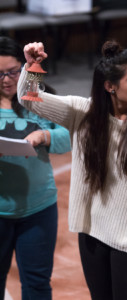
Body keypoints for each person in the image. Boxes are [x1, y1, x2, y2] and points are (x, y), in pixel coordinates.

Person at [17, 40, 127, 300]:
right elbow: (29, 98)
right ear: (110, 86)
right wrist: (33, 65)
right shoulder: (82, 112)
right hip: (92, 234)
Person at [0, 36, 71, 300]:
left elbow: (69, 136)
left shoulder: (36, 98)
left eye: (12, 72)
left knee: (37, 285)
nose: (6, 80)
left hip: (38, 210)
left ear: (23, 68)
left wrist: (45, 137)